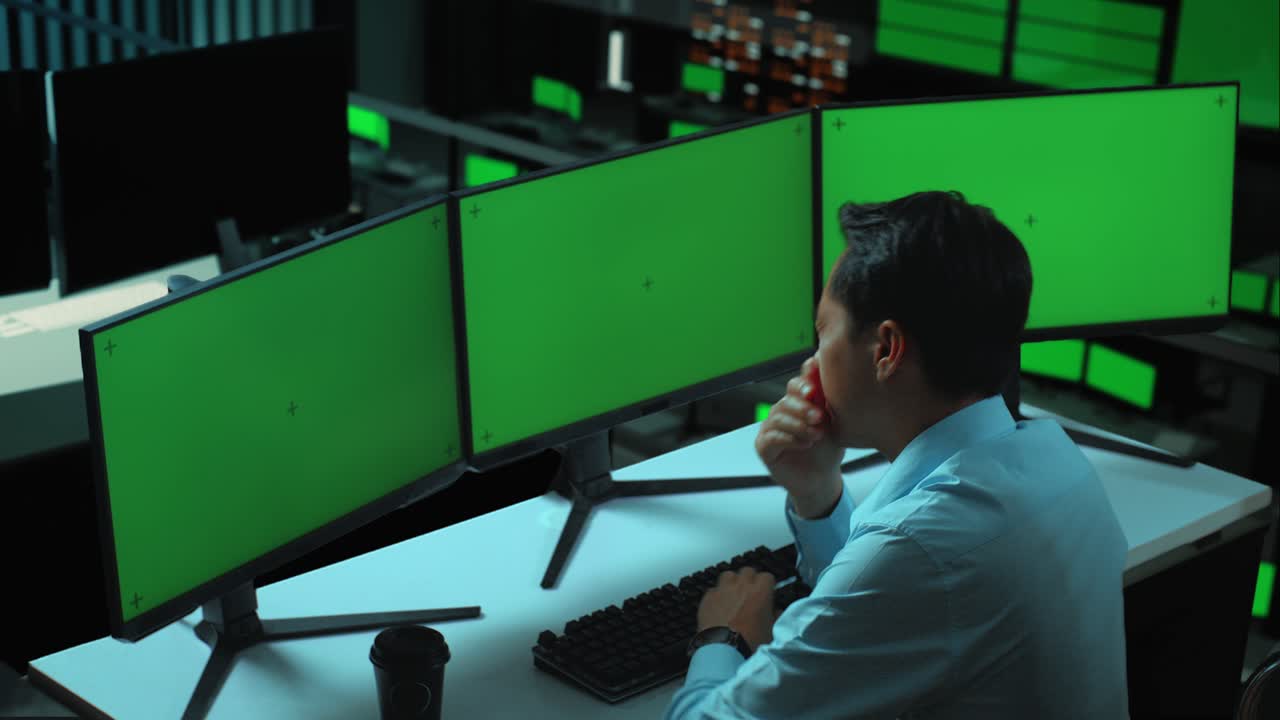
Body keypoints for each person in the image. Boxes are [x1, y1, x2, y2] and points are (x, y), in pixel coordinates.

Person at [664, 191, 1129, 719]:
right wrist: (818, 495)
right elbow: (885, 606)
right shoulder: (1060, 463)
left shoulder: (917, 549)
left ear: (887, 349)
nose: (812, 365)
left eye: (823, 333)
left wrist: (723, 638)